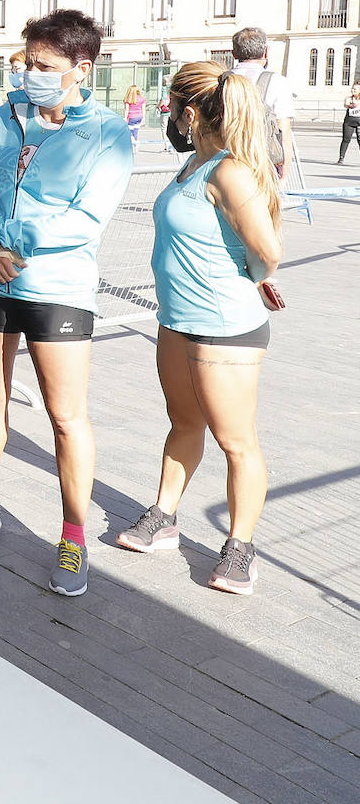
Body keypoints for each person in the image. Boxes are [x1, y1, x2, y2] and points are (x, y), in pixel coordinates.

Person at [0, 9, 132, 599]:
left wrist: (6, 242)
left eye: (44, 66)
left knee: (65, 416)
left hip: (56, 288)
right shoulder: (6, 116)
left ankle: (73, 537)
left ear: (82, 69)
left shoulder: (109, 132)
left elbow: (87, 218)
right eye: (26, 63)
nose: (30, 75)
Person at [116, 61, 283, 596]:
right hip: (177, 320)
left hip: (225, 328)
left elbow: (268, 254)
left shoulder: (229, 171)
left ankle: (240, 547)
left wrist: (246, 281)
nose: (169, 116)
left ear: (190, 113)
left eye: (171, 107)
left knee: (236, 441)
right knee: (182, 424)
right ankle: (163, 517)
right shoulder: (192, 165)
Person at [230, 27, 294, 178]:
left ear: (234, 53)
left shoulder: (221, 80)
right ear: (266, 52)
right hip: (261, 163)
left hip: (225, 160)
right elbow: (283, 129)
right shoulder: (277, 81)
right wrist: (284, 170)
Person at [339, 82, 360, 164]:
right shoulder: (349, 98)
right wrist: (350, 105)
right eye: (352, 88)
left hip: (359, 121)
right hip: (349, 121)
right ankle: (341, 158)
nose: (353, 90)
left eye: (355, 89)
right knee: (346, 139)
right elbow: (346, 104)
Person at [125, 84, 145, 152]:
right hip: (139, 116)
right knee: (136, 131)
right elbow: (143, 109)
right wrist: (143, 118)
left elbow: (126, 110)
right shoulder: (141, 99)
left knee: (130, 131)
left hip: (131, 117)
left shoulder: (128, 99)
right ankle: (136, 147)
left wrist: (125, 118)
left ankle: (134, 143)